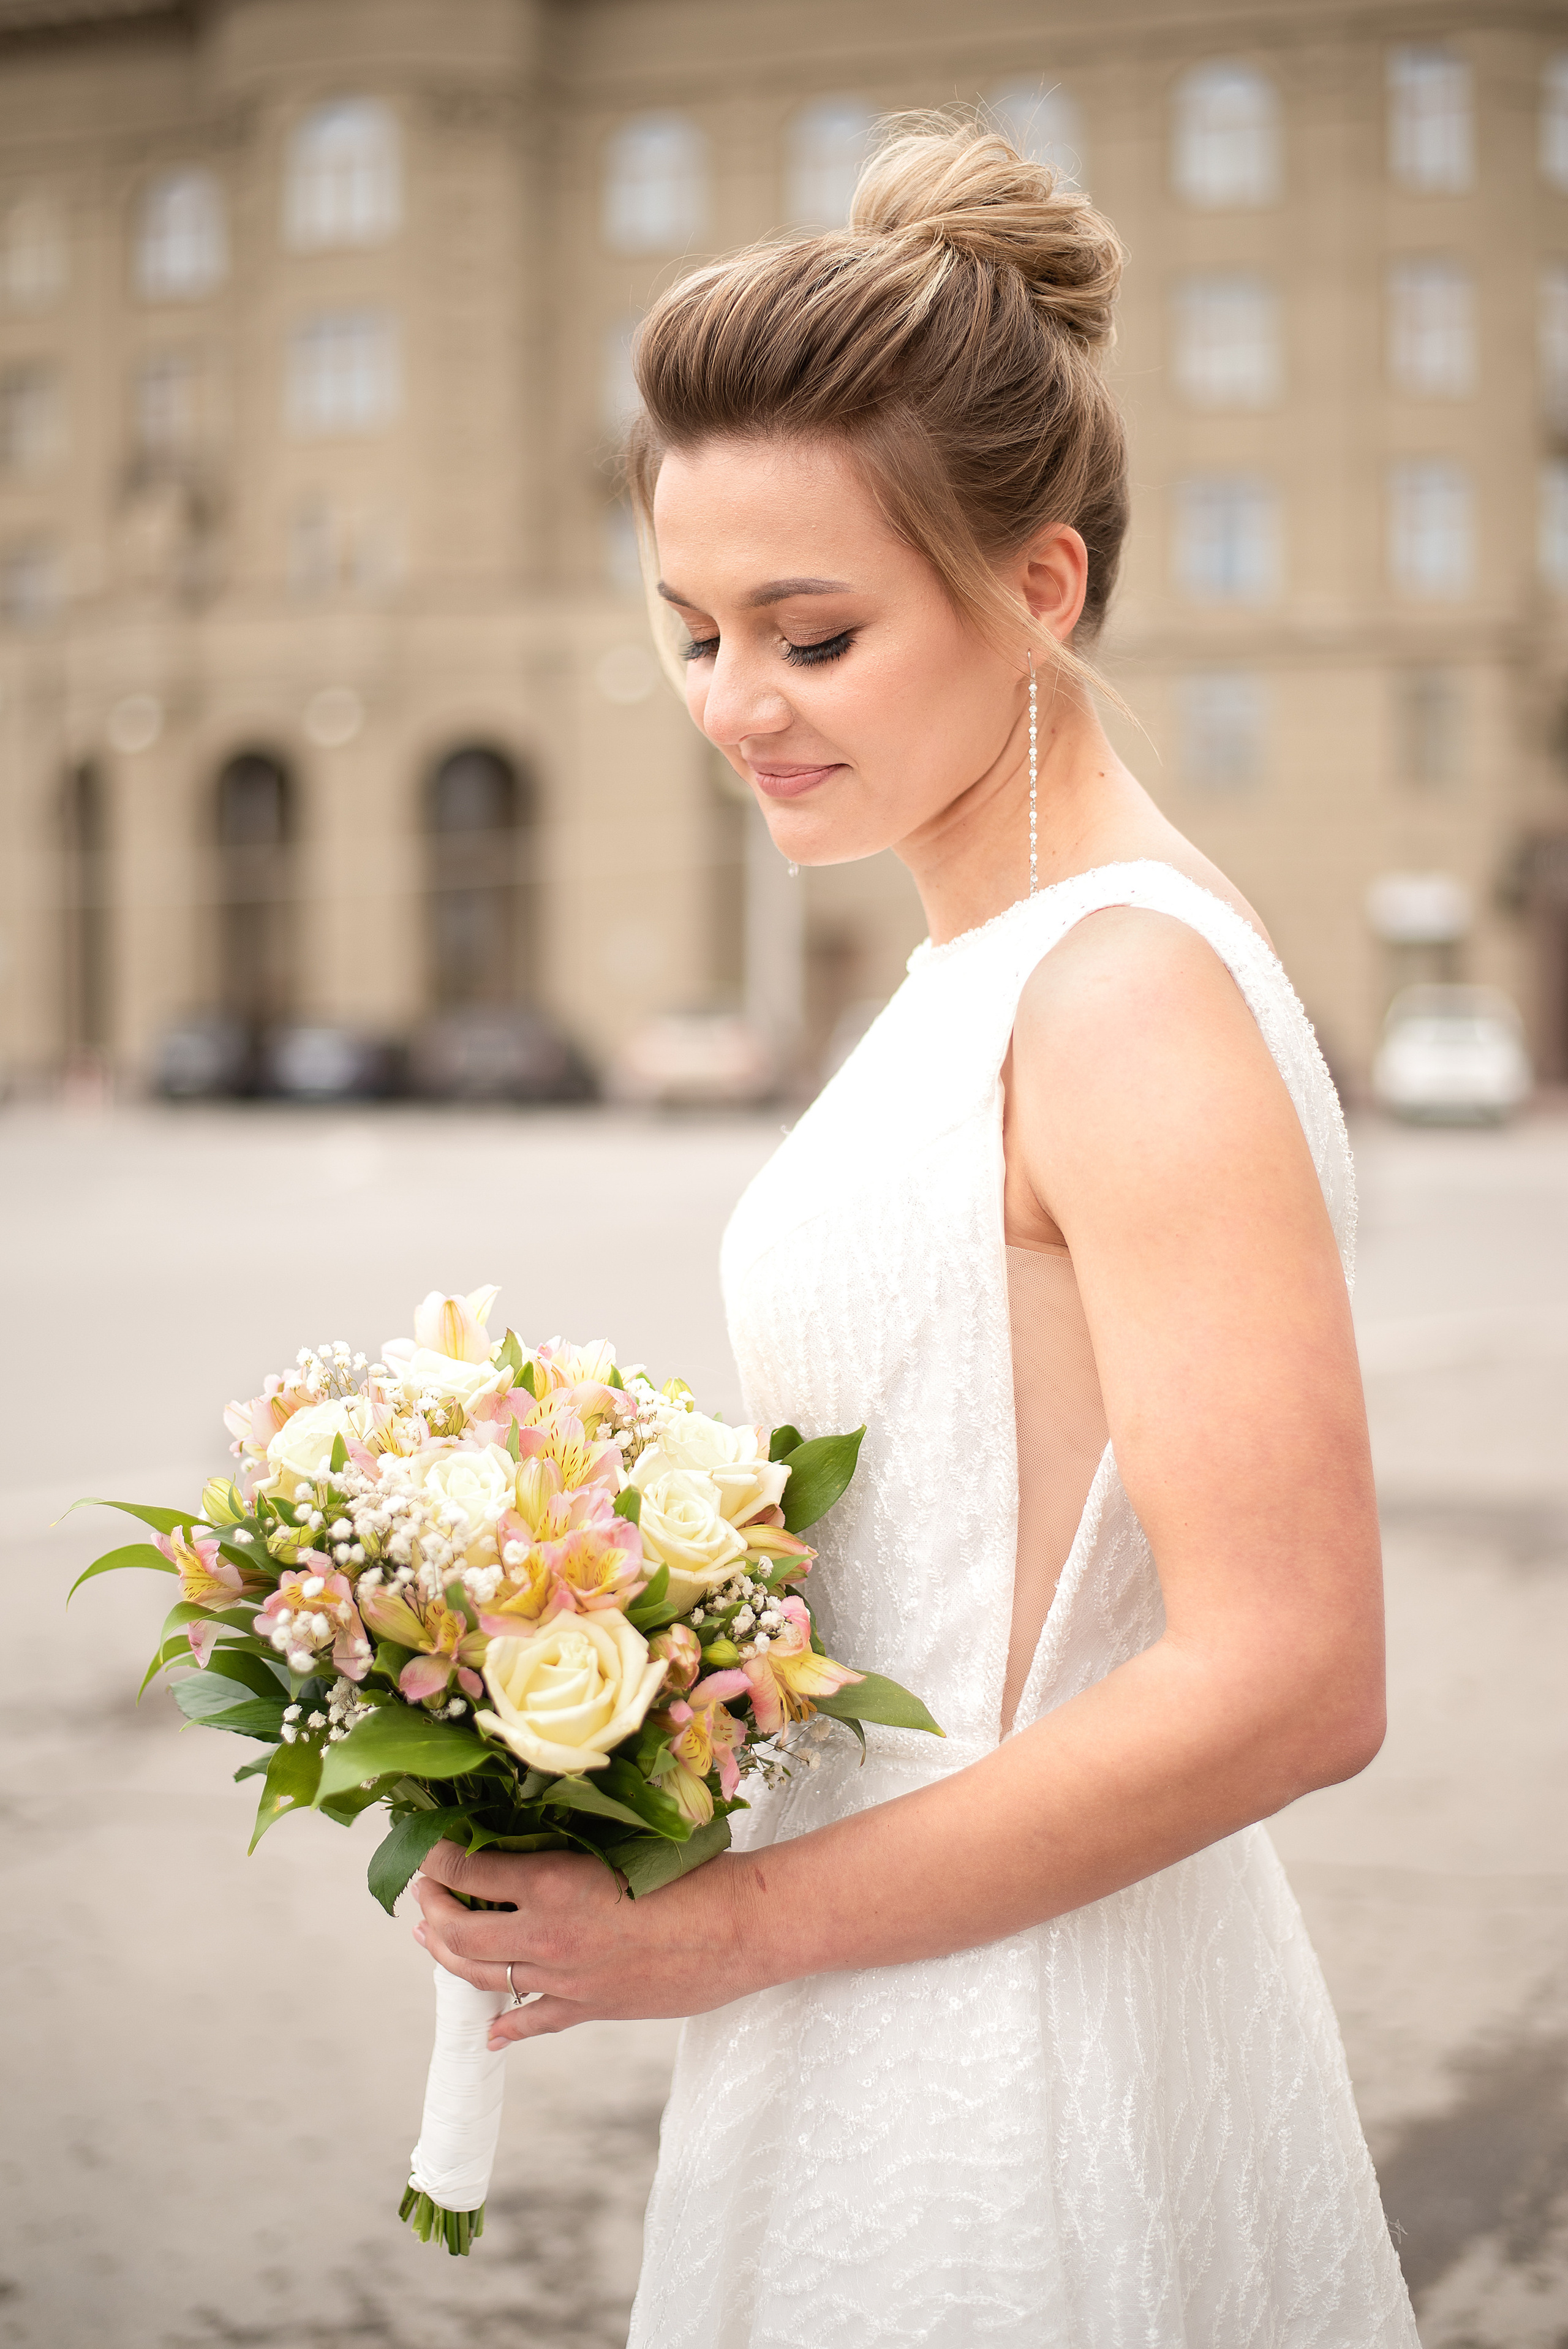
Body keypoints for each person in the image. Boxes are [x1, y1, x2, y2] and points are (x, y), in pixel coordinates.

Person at [413, 115, 1420, 2345]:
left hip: (1020, 2045)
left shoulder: (1126, 990)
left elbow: (1295, 1672)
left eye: (814, 632)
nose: (736, 708)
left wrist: (717, 1936)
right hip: (879, 1980)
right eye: (690, 633)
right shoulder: (982, 965)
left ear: (1037, 585)